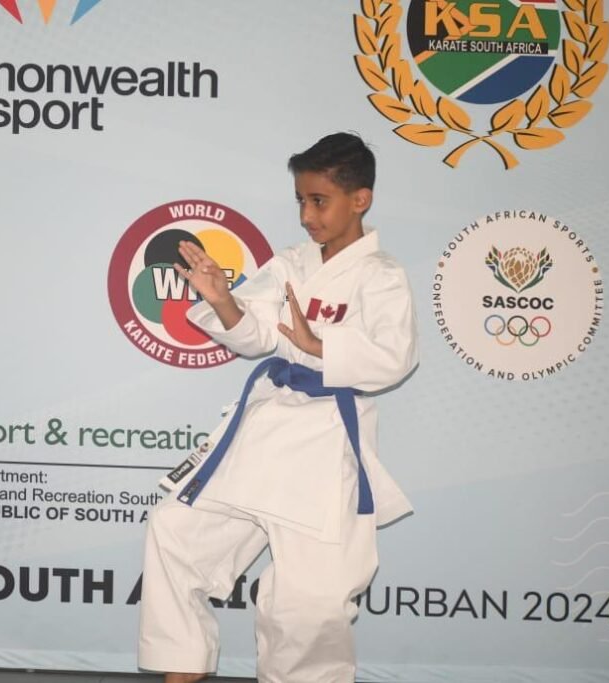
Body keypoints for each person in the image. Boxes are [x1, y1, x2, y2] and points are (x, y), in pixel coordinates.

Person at [137, 132, 419, 683]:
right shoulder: (291, 263)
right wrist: (222, 299)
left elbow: (394, 357)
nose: (306, 214)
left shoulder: (380, 275)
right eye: (301, 201)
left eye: (319, 201)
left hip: (326, 442)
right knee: (176, 532)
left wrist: (321, 347)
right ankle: (182, 674)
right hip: (266, 429)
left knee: (307, 606)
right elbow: (257, 335)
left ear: (359, 199)